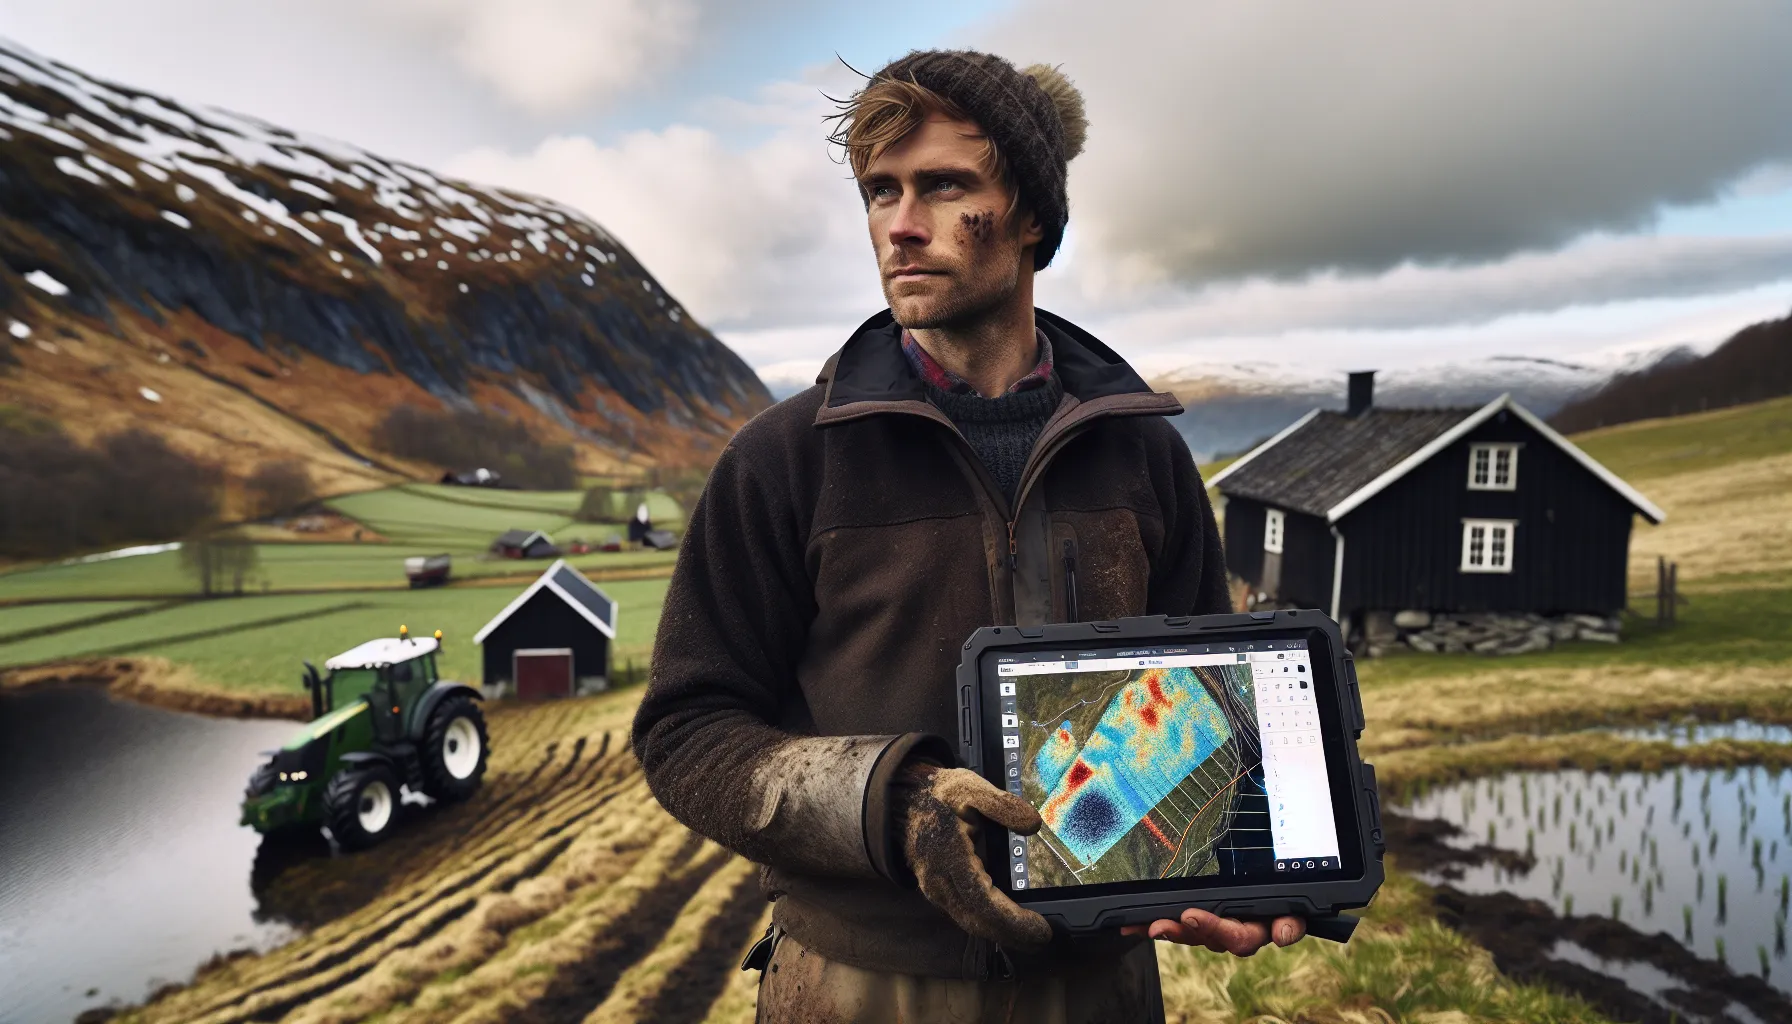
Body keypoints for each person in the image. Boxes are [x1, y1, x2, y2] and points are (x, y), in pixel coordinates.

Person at [632, 48, 1306, 1023]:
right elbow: (686, 731)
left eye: (945, 186)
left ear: (1032, 217)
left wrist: (1239, 863)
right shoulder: (781, 461)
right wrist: (889, 801)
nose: (900, 225)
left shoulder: (1143, 454)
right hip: (859, 985)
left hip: (1098, 984)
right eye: (880, 191)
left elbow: (1214, 698)